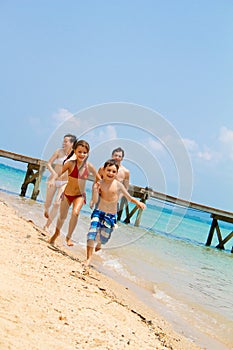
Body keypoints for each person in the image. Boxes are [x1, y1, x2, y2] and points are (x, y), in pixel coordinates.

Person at [83, 159, 146, 273]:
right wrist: (95, 190)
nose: (110, 173)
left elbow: (129, 198)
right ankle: (88, 259)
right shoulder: (99, 184)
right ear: (103, 171)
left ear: (116, 174)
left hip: (111, 216)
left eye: (113, 171)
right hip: (99, 211)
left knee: (104, 238)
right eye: (108, 170)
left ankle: (100, 243)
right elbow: (96, 199)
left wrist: (138, 203)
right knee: (91, 234)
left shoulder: (118, 185)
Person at [48, 139, 98, 246]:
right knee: (62, 216)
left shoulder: (89, 166)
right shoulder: (70, 164)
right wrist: (53, 180)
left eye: (84, 152)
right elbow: (58, 173)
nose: (82, 154)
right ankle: (56, 234)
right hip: (67, 194)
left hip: (79, 195)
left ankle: (68, 237)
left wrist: (95, 194)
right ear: (75, 151)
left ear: (87, 153)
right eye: (79, 152)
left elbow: (98, 180)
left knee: (75, 213)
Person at [43, 134, 76, 232]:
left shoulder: (75, 156)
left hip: (65, 182)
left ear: (72, 144)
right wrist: (53, 173)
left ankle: (47, 226)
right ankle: (46, 209)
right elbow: (48, 163)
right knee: (48, 203)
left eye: (66, 141)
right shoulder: (58, 151)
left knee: (57, 204)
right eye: (63, 141)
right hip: (54, 180)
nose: (63, 143)